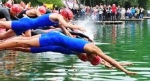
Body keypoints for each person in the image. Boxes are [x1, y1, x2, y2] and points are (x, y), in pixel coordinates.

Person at [0, 31, 137, 75]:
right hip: (55, 38)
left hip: (56, 42)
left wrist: (121, 64)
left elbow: (108, 62)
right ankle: (2, 45)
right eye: (89, 60)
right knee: (25, 43)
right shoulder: (92, 49)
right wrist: (125, 71)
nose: (87, 60)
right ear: (93, 56)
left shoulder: (90, 54)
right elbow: (110, 60)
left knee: (26, 43)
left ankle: (4, 45)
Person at [0, 8, 85, 39]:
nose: (68, 21)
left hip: (27, 26)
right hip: (26, 23)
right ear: (65, 16)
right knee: (2, 24)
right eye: (68, 19)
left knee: (3, 37)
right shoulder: (57, 15)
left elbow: (66, 32)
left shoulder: (59, 21)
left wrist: (74, 39)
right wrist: (78, 26)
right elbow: (66, 25)